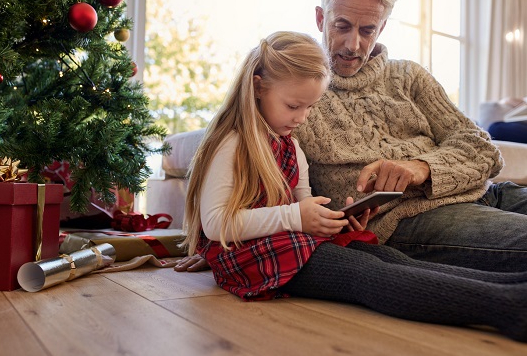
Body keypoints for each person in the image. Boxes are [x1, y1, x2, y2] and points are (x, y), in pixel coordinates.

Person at [180, 30, 527, 342]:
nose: (301, 118)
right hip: (251, 255)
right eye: (293, 106)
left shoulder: (291, 146)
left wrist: (332, 219)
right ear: (257, 86)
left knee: (388, 256)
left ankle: (513, 287)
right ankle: (507, 307)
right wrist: (296, 217)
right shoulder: (233, 142)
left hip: (291, 238)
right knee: (368, 275)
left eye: (310, 107)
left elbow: (305, 204)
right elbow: (217, 225)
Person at [290, 0, 527, 272]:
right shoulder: (298, 97)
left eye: (368, 30)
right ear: (320, 18)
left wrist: (421, 167)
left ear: (383, 27)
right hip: (412, 217)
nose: (353, 44)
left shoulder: (409, 76)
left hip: (490, 192)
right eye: (342, 26)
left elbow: (484, 150)